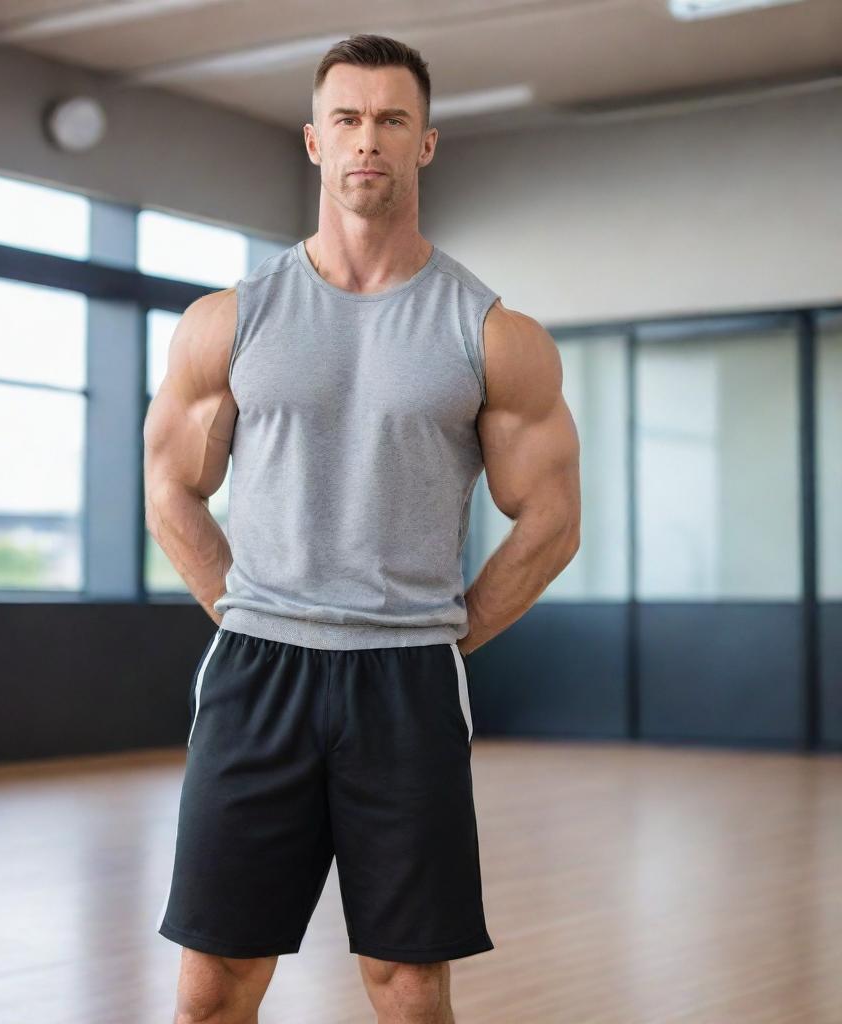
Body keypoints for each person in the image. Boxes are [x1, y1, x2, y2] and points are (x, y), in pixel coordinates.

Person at [143, 32, 581, 1024]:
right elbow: (170, 488)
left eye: (391, 119)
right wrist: (244, 608)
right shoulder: (232, 320)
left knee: (406, 985)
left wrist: (444, 635)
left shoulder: (488, 334)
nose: (367, 139)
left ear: (425, 144)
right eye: (346, 118)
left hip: (406, 681)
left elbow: (552, 520)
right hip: (259, 673)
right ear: (313, 141)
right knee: (211, 988)